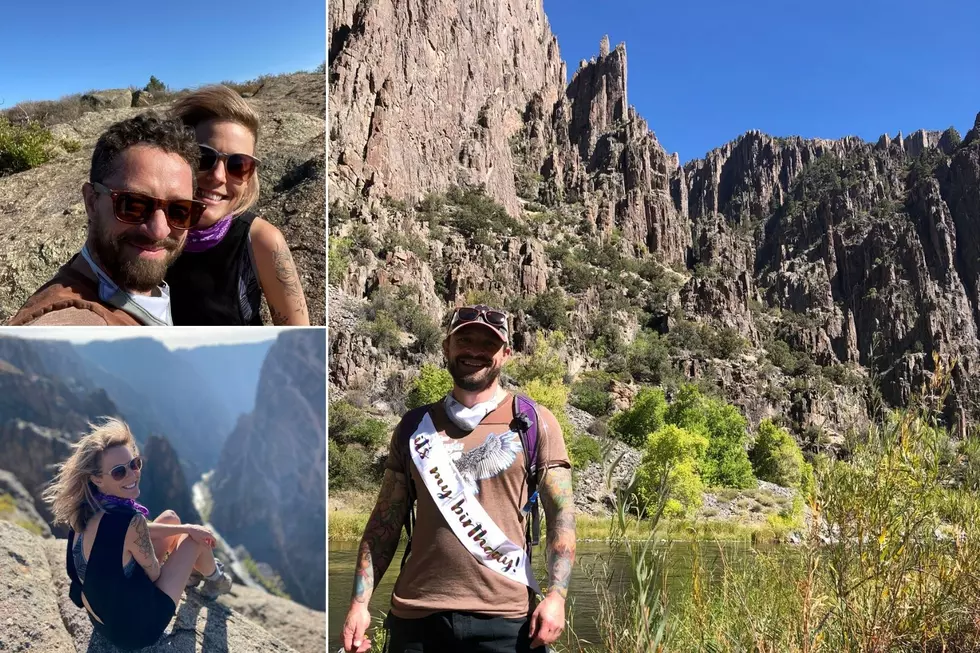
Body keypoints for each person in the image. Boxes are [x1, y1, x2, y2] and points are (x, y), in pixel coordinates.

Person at [341, 305, 577, 653]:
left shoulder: (534, 422)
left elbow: (562, 516)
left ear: (506, 354)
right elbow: (384, 522)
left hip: (507, 621)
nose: (474, 351)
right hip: (417, 619)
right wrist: (360, 604)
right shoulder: (413, 428)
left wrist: (557, 596)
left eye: (488, 344)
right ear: (446, 348)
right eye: (464, 339)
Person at [42, 418, 233, 650]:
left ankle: (192, 574)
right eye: (119, 472)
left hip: (101, 618)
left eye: (134, 464)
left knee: (172, 517)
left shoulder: (84, 508)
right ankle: (215, 580)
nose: (132, 474)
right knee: (196, 541)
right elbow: (153, 574)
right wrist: (183, 545)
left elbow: (130, 535)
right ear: (97, 479)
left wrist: (183, 528)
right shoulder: (130, 520)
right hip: (135, 630)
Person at [7, 113, 204, 326]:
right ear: (91, 202)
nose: (159, 230)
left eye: (179, 210)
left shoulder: (138, 290)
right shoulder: (72, 327)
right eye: (133, 205)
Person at [166, 85, 310, 325]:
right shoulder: (148, 229)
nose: (219, 177)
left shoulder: (261, 241)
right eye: (203, 157)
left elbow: (298, 343)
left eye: (238, 165)